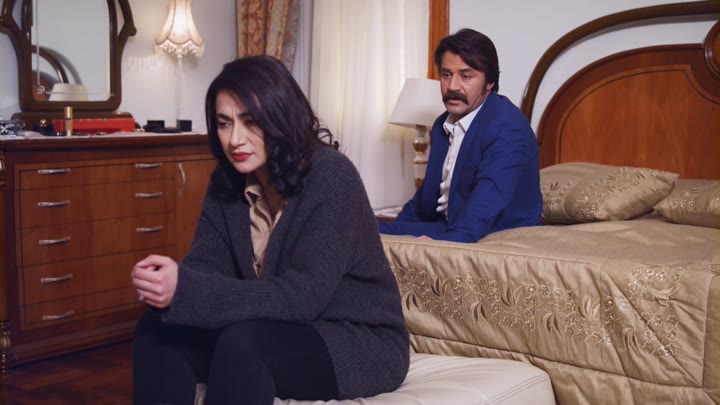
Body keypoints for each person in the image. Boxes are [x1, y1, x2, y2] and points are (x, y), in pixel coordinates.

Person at [131, 55, 409, 405]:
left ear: (280, 117)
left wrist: (187, 289)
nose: (235, 139)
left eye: (251, 122)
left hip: (356, 339)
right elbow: (205, 267)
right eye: (224, 123)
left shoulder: (333, 177)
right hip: (274, 326)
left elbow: (302, 298)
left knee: (245, 344)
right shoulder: (227, 181)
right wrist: (170, 286)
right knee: (157, 329)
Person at [378, 29, 542, 243]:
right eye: (446, 75)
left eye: (466, 76)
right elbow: (424, 201)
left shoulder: (508, 126)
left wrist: (437, 247)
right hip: (448, 225)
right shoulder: (442, 124)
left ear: (489, 82)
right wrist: (392, 240)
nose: (453, 86)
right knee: (364, 229)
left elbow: (483, 208)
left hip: (494, 233)